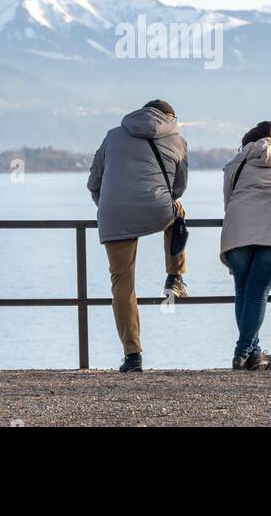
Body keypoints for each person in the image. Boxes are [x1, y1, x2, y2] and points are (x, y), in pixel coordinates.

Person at [87, 99, 189, 373]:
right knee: (177, 211)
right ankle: (174, 276)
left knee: (122, 284)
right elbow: (178, 187)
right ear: (169, 116)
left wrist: (108, 205)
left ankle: (133, 356)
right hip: (156, 209)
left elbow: (93, 182)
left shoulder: (112, 135)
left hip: (114, 214)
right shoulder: (177, 139)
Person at [221, 121, 271, 371]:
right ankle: (243, 353)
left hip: (238, 229)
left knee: (243, 293)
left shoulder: (236, 162)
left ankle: (252, 353)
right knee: (257, 293)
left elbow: (228, 198)